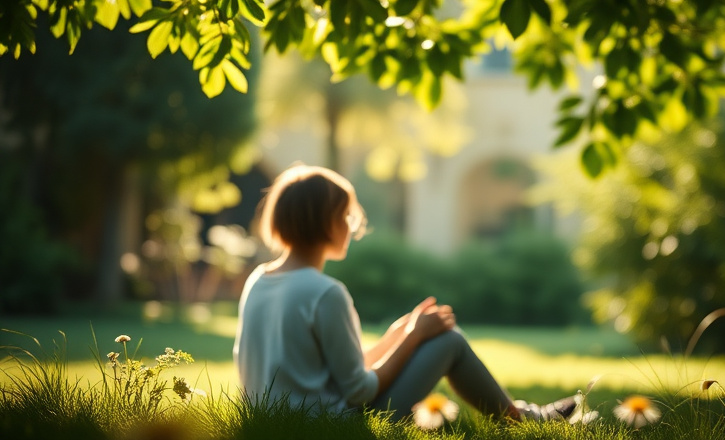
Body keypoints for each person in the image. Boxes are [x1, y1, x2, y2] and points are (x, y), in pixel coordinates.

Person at [233, 163, 575, 422]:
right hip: (336, 425)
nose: (352, 226)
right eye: (346, 216)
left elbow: (328, 370)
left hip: (283, 423)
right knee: (450, 341)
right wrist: (413, 337)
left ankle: (525, 415)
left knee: (433, 336)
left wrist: (396, 337)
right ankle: (522, 420)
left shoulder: (259, 281)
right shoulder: (325, 293)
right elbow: (358, 391)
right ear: (326, 222)